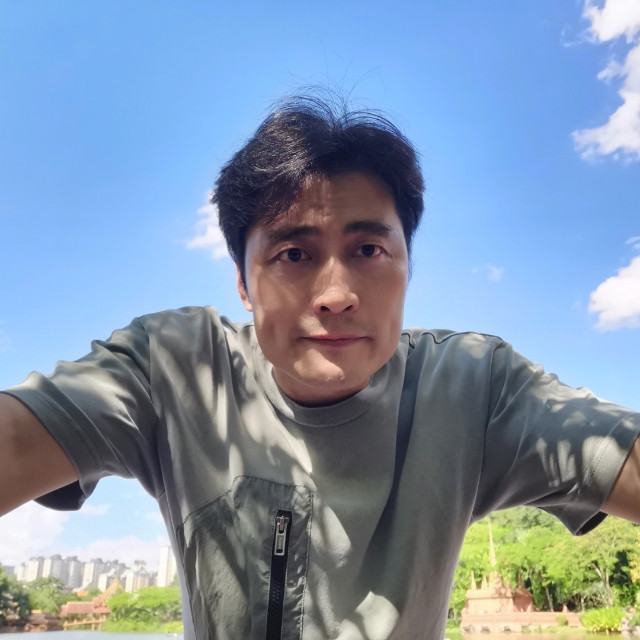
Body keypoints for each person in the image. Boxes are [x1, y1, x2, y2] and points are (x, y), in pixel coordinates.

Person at [1, 94, 639, 640]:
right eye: (293, 254)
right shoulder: (173, 369)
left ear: (408, 267)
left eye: (369, 249)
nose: (336, 294)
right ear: (243, 283)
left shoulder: (475, 387)